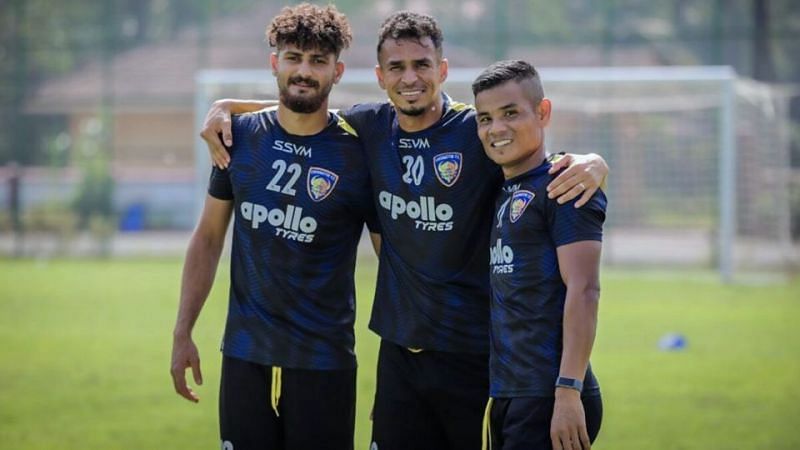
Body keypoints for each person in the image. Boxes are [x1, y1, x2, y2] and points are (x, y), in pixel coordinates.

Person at [200, 12, 608, 450]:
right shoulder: (370, 125)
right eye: (397, 67)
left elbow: (528, 148)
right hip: (398, 359)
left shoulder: (477, 129)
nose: (409, 78)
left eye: (422, 65)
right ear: (380, 76)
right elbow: (308, 106)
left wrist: (592, 162)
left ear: (442, 70)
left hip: (471, 357)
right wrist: (228, 107)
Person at [169, 4, 378, 450]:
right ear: (274, 63)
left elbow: (390, 257)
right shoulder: (238, 138)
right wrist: (182, 331)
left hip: (325, 363)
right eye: (293, 57)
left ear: (337, 71)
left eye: (318, 61)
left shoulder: (359, 153)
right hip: (246, 357)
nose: (304, 70)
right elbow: (207, 239)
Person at [473, 60, 605, 450]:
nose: (497, 128)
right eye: (485, 118)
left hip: (549, 395)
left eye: (510, 113)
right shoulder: (499, 188)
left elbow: (585, 290)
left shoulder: (564, 185)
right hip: (509, 393)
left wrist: (567, 392)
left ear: (542, 112)